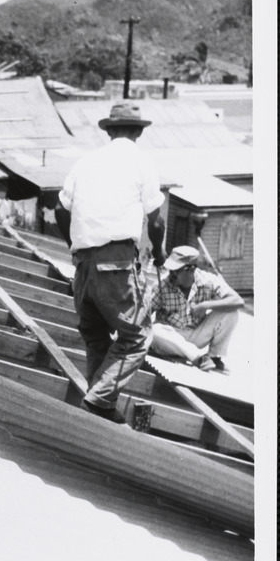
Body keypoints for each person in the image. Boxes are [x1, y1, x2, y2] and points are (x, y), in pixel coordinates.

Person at [54, 102, 167, 424]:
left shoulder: (87, 160)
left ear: (109, 130)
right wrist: (158, 252)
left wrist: (74, 247)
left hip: (83, 263)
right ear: (140, 131)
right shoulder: (141, 161)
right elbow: (155, 222)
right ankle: (99, 401)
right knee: (136, 337)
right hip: (116, 262)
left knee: (95, 334)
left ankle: (100, 405)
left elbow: (60, 211)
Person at [146, 245, 244, 374]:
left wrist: (206, 305)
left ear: (190, 270)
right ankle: (199, 358)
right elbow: (144, 315)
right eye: (170, 269)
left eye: (176, 270)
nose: (171, 274)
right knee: (155, 330)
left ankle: (214, 357)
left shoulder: (208, 280)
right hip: (171, 340)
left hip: (197, 335)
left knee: (231, 313)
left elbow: (238, 301)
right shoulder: (162, 283)